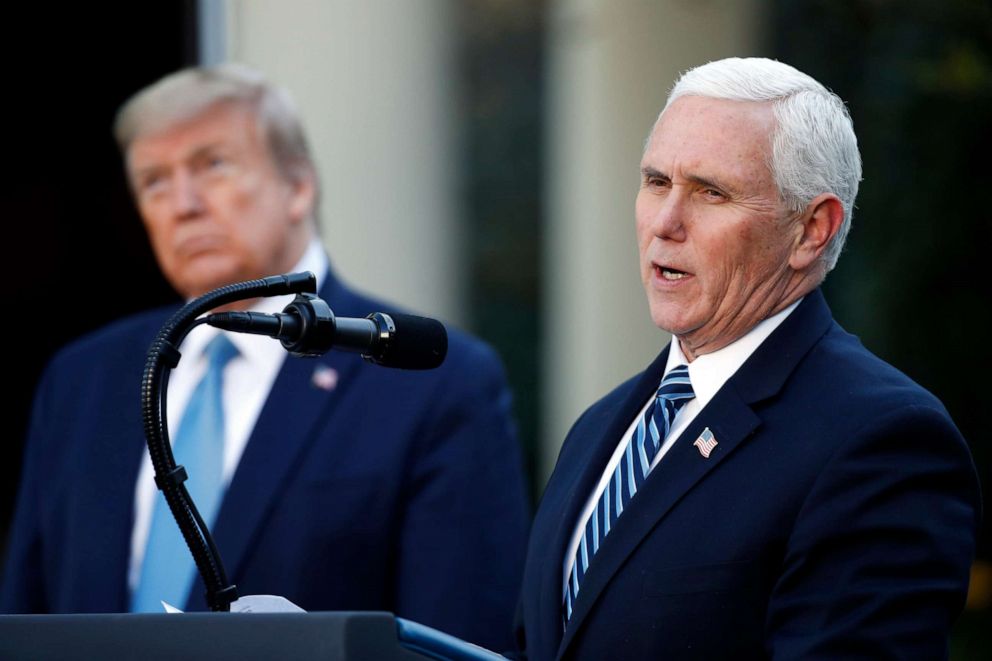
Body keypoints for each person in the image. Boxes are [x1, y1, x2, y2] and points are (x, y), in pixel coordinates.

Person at [0, 64, 530, 651]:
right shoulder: (83, 379)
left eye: (213, 165)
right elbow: (25, 614)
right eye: (154, 181)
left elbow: (454, 643)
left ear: (298, 184)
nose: (184, 204)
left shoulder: (433, 380)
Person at [516, 57, 980, 659]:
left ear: (812, 229)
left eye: (712, 192)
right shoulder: (600, 426)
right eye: (656, 182)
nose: (665, 222)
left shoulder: (881, 441)